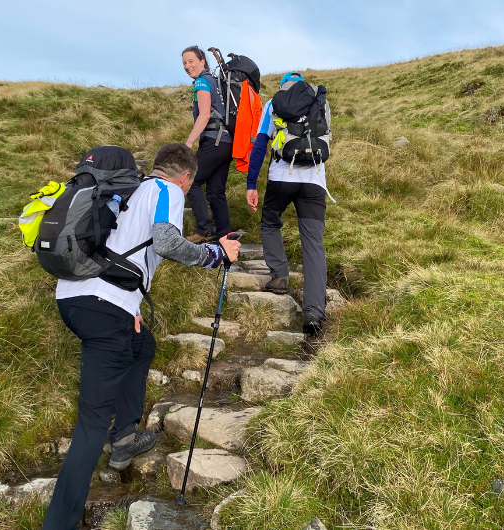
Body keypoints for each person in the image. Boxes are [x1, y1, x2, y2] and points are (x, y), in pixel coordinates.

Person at [41, 144, 241, 530]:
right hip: (103, 306)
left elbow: (116, 249)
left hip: (75, 297)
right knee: (89, 426)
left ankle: (125, 439)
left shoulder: (126, 190)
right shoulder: (166, 192)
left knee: (142, 345)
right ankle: (58, 524)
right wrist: (217, 254)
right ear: (186, 178)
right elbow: (166, 243)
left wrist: (129, 307)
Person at [245, 72, 332, 336]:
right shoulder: (321, 101)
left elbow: (260, 144)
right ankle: (314, 312)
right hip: (315, 180)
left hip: (282, 176)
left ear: (283, 85)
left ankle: (280, 276)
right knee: (313, 243)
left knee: (270, 222)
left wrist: (251, 184)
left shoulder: (275, 103)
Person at [181, 45, 233, 243]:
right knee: (215, 191)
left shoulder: (202, 82)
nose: (187, 66)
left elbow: (204, 116)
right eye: (184, 63)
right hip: (227, 141)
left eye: (191, 61)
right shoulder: (217, 81)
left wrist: (189, 142)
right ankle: (225, 235)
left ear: (202, 61)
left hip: (214, 140)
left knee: (191, 181)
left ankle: (204, 230)